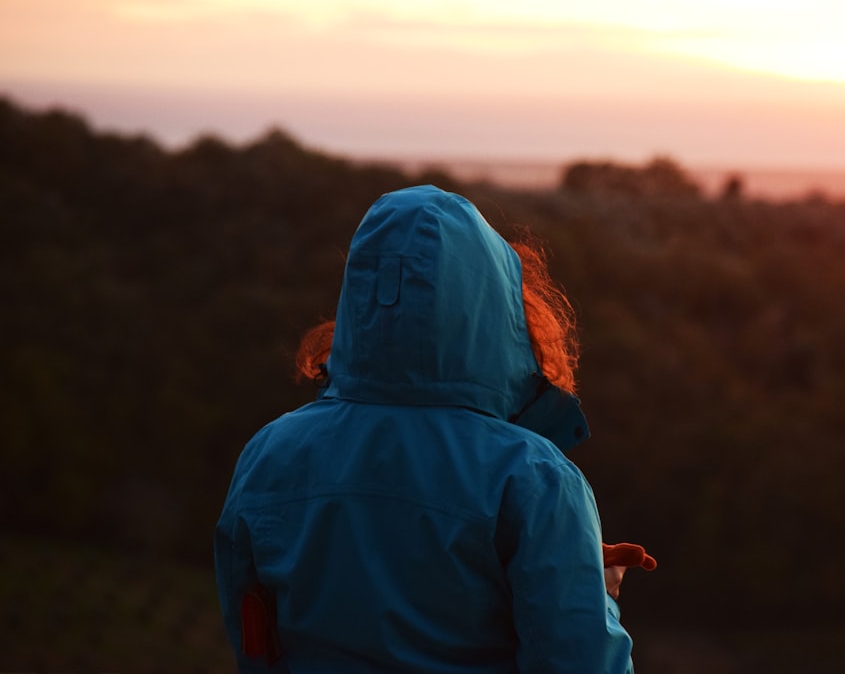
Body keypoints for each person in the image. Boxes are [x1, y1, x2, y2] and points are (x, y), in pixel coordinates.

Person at [214, 184, 651, 673]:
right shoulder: (534, 478)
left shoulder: (269, 454)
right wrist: (596, 589)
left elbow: (255, 642)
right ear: (496, 310)